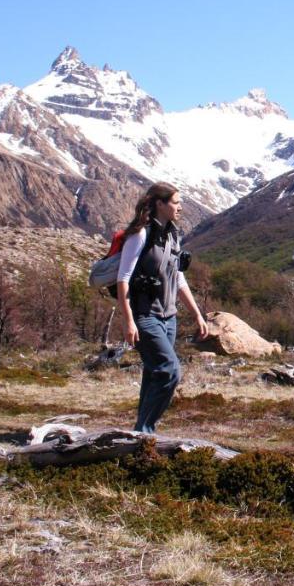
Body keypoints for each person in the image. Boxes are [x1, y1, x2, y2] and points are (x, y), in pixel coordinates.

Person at [115, 182, 209, 435]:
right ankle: (144, 433)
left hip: (169, 318)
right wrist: (128, 321)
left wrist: (197, 314)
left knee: (154, 373)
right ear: (160, 204)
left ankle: (140, 434)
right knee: (169, 371)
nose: (180, 207)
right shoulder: (140, 235)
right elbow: (123, 278)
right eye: (175, 202)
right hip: (145, 316)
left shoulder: (172, 235)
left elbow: (178, 278)